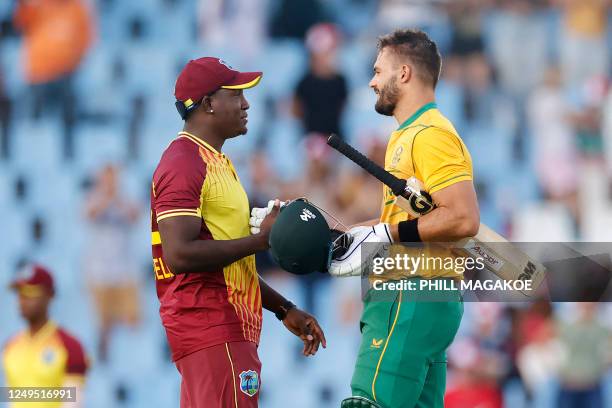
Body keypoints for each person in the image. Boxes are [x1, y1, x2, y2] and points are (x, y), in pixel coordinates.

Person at [151, 57, 326, 408]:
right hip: (212, 324)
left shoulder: (217, 162)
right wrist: (263, 239)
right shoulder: (185, 161)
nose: (246, 104)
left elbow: (228, 264)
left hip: (225, 327)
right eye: (236, 94)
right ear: (208, 103)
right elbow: (179, 254)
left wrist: (283, 307)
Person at [329, 29, 479, 408]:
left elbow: (463, 218)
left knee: (369, 403)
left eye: (379, 71)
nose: (372, 81)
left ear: (405, 73)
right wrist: (364, 231)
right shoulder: (407, 135)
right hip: (424, 296)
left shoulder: (429, 135)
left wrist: (388, 233)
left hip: (409, 293)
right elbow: (412, 219)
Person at [13, 0, 94, 159]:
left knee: (67, 118)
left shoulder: (77, 8)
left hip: (66, 72)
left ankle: (67, 155)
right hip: (38, 74)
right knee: (33, 122)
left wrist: (75, 61)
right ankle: (31, 157)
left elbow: (86, 39)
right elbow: (20, 23)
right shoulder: (37, 5)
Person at [2, 264, 88, 408]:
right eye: (20, 294)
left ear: (50, 295)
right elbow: (10, 398)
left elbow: (73, 402)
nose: (22, 300)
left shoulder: (69, 346)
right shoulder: (10, 346)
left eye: (30, 293)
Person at [83, 164, 141, 363]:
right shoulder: (93, 197)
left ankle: (129, 359)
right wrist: (108, 198)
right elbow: (90, 214)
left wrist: (117, 199)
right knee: (104, 322)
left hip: (123, 270)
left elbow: (135, 216)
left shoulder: (124, 199)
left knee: (132, 320)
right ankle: (104, 359)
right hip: (99, 272)